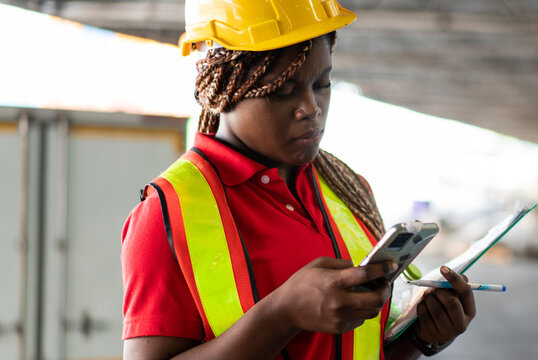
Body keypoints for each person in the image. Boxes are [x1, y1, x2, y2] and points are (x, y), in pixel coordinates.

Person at [120, 0, 476, 359]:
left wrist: (419, 337)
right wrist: (281, 315)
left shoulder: (347, 189)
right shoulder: (166, 215)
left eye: (322, 84)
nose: (311, 108)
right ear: (224, 88)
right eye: (283, 91)